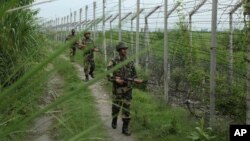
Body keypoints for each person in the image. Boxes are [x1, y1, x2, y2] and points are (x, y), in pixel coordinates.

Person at [107, 42, 145, 136]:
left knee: (126, 109)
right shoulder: (114, 61)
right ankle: (114, 119)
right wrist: (116, 79)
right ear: (119, 51)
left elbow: (134, 74)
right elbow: (108, 73)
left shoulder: (130, 61)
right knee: (116, 107)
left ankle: (125, 128)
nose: (125, 50)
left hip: (128, 89)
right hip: (117, 90)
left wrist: (136, 80)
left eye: (125, 49)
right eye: (123, 49)